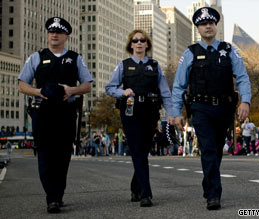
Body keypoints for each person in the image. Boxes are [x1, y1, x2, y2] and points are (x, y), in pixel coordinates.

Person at [172, 7, 251, 210]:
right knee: (207, 149)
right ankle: (214, 195)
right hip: (200, 108)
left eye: (211, 23)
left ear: (216, 26)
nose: (208, 26)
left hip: (224, 108)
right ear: (198, 28)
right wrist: (175, 112)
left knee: (216, 151)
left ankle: (209, 183)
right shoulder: (190, 53)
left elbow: (242, 77)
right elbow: (179, 85)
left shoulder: (228, 49)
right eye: (203, 24)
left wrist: (245, 101)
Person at [18, 17, 92, 213]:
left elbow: (87, 85)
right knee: (44, 155)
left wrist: (71, 90)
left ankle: (57, 194)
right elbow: (22, 84)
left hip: (66, 112)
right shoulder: (37, 57)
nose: (54, 35)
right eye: (51, 31)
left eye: (58, 32)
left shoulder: (75, 58)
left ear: (66, 36)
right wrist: (38, 91)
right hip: (42, 112)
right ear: (48, 34)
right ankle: (51, 196)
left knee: (62, 156)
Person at [106, 29, 174, 207]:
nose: (139, 43)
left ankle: (135, 186)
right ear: (130, 44)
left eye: (142, 40)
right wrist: (122, 92)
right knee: (137, 150)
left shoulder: (155, 65)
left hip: (150, 111)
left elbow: (165, 92)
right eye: (135, 40)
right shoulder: (123, 65)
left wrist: (171, 113)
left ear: (147, 44)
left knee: (142, 152)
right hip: (130, 112)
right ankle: (146, 193)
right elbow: (109, 87)